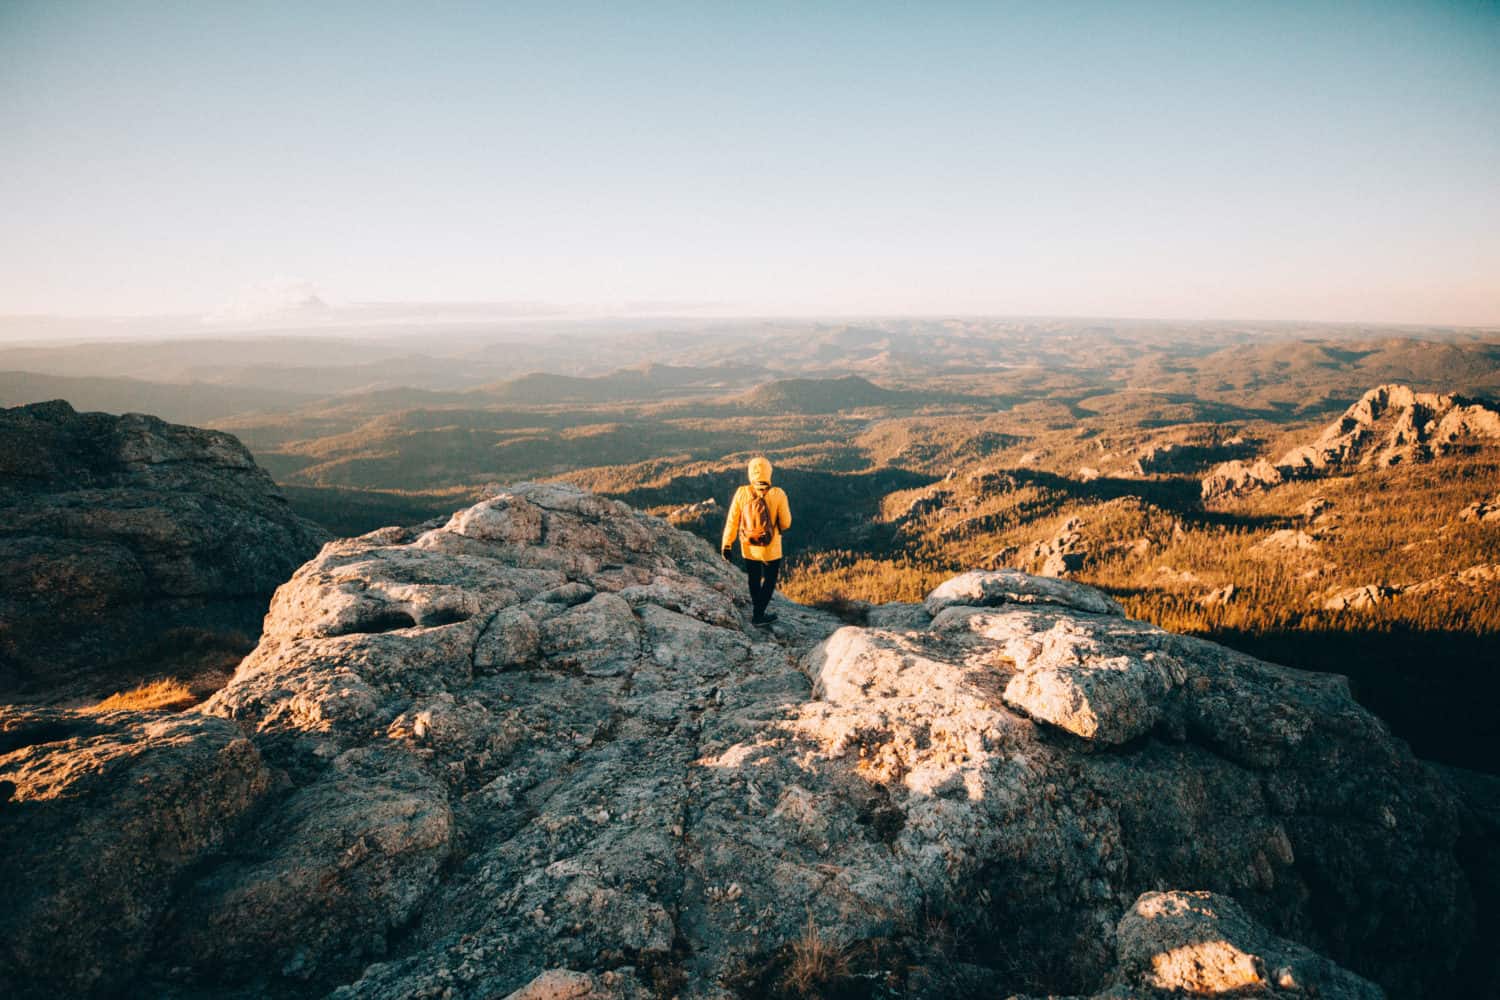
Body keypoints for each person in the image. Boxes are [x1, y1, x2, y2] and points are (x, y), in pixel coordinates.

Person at [721, 456, 792, 626]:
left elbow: (732, 521)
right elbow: (786, 522)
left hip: (749, 546)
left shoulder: (741, 493)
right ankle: (759, 614)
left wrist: (727, 544)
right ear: (769, 472)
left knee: (753, 579)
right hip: (771, 547)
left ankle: (757, 612)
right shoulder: (778, 494)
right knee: (769, 580)